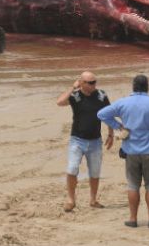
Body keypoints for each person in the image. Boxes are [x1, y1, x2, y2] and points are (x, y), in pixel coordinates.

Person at [97, 74, 149, 229]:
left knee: (133, 185)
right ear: (147, 86)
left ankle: (133, 219)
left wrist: (118, 126)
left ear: (133, 86)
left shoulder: (123, 102)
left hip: (130, 150)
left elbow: (101, 114)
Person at [56, 71, 114, 212]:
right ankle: (71, 200)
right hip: (77, 140)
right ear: (81, 83)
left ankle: (93, 200)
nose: (93, 85)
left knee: (94, 172)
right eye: (90, 82)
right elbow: (60, 102)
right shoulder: (75, 96)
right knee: (72, 169)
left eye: (95, 82)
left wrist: (111, 134)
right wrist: (72, 87)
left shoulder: (101, 96)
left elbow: (109, 114)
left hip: (95, 141)